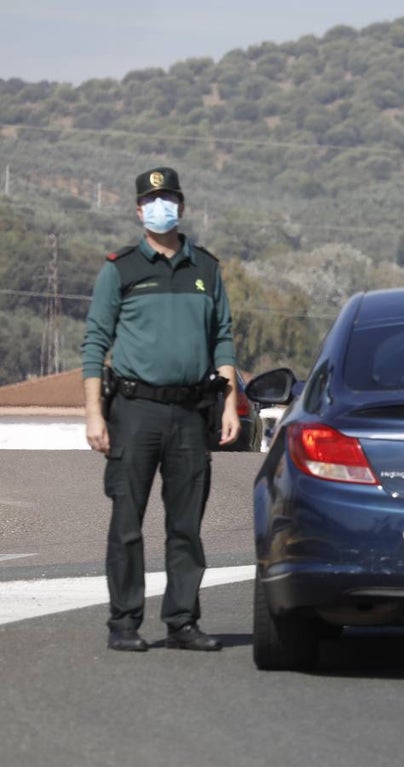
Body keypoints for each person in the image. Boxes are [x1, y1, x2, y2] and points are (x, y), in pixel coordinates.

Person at [81, 166, 240, 652]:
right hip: (134, 411)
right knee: (127, 524)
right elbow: (95, 342)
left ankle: (182, 622)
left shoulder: (206, 269)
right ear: (137, 210)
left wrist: (230, 405)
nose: (160, 207)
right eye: (151, 200)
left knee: (186, 526)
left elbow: (223, 339)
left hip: (191, 413)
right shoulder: (120, 269)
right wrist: (94, 413)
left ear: (182, 207)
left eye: (168, 198)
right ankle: (124, 623)